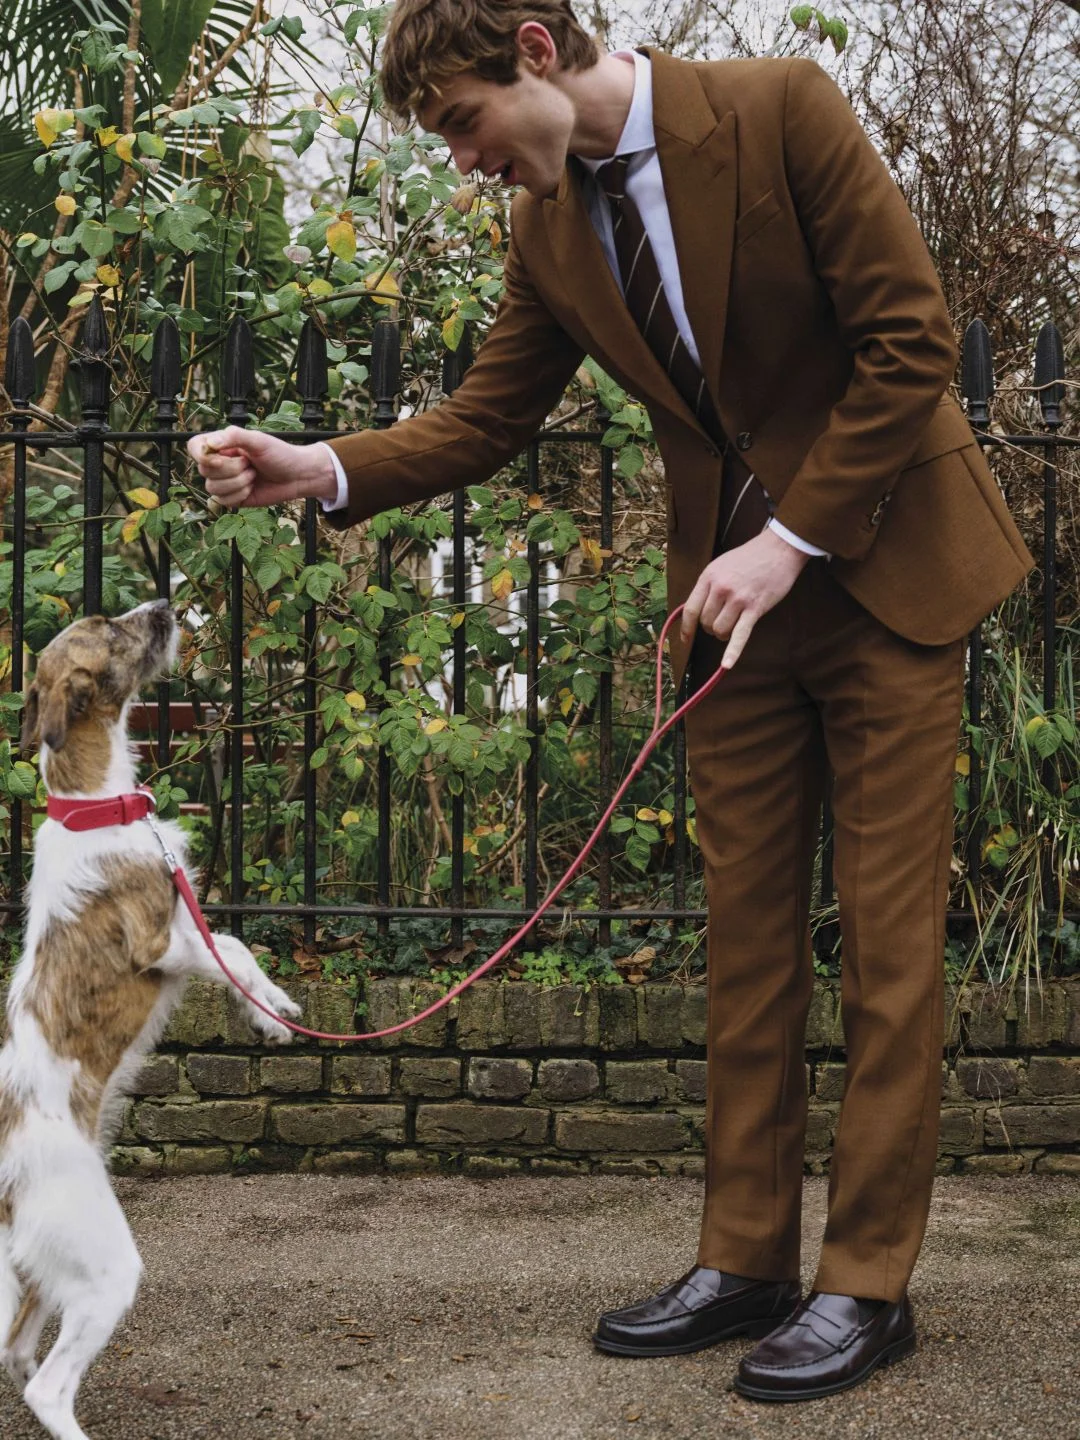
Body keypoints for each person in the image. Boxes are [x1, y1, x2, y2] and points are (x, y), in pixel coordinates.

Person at [187, 0, 1033, 1403]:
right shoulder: (549, 227)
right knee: (746, 948)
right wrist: (316, 467)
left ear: (533, 49)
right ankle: (744, 1260)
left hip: (891, 578)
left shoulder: (780, 108)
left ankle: (867, 1285)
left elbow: (912, 342)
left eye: (462, 120)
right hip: (732, 622)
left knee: (889, 956)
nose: (463, 158)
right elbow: (486, 417)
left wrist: (790, 539)